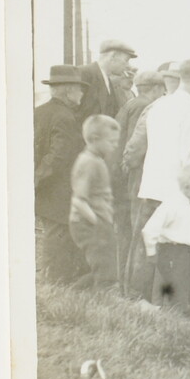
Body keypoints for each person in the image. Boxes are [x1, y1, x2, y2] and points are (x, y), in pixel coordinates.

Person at [139, 57, 190, 315]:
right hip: (175, 191)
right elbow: (187, 158)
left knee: (157, 252)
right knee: (176, 258)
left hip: (152, 186)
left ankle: (151, 304)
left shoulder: (159, 105)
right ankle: (170, 309)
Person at [114, 66, 168, 293]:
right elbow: (135, 147)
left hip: (126, 174)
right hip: (135, 175)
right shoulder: (144, 106)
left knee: (128, 230)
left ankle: (124, 286)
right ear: (155, 88)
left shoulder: (131, 103)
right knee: (136, 231)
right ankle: (129, 289)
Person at [33, 65, 88, 283]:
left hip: (46, 188)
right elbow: (58, 156)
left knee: (53, 233)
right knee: (58, 236)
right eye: (79, 89)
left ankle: (53, 280)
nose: (82, 94)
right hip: (59, 189)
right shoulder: (66, 117)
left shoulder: (40, 111)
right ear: (68, 91)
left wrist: (36, 179)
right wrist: (38, 178)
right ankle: (55, 282)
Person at [68, 115, 121, 287]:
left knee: (103, 266)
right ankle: (107, 300)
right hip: (89, 223)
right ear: (95, 139)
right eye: (112, 142)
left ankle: (76, 294)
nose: (116, 146)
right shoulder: (89, 162)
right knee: (105, 269)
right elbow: (78, 200)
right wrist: (97, 224)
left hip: (98, 221)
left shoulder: (96, 160)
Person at [76, 38, 137, 125]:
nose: (128, 65)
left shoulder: (108, 82)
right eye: (126, 60)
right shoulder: (84, 73)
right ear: (113, 56)